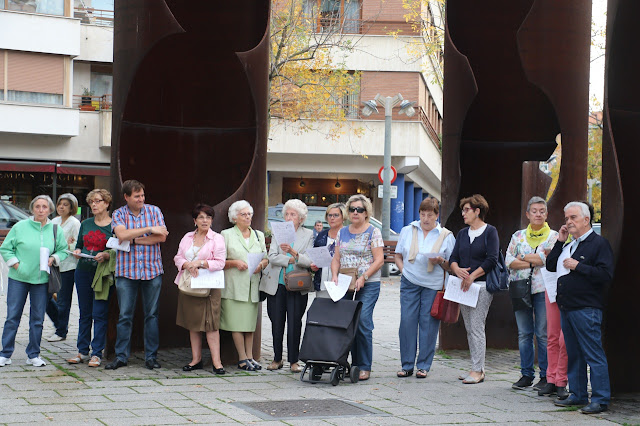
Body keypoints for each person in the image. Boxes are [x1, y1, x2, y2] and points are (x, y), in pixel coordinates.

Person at [546, 201, 613, 415]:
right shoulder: (569, 245)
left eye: (573, 217)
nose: (568, 222)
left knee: (593, 354)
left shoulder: (599, 244)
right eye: (566, 218)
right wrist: (560, 241)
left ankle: (601, 399)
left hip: (586, 307)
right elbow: (550, 265)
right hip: (567, 307)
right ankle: (578, 394)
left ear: (586, 220)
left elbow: (605, 275)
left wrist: (579, 267)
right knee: (574, 354)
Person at [105, 180, 169, 370]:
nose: (141, 199)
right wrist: (149, 230)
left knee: (152, 315)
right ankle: (121, 357)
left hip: (152, 270)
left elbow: (162, 237)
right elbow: (122, 236)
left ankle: (151, 357)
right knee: (125, 315)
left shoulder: (154, 211)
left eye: (142, 195)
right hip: (126, 272)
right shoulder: (118, 213)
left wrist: (133, 240)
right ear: (126, 197)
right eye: (137, 196)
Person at [0, 195, 68, 367]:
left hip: (42, 280)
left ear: (50, 210)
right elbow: (6, 248)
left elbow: (64, 250)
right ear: (32, 209)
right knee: (12, 317)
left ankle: (33, 354)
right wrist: (16, 265)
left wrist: (54, 258)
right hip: (19, 278)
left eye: (44, 207)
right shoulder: (20, 227)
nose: (40, 210)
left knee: (37, 319)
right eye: (37, 206)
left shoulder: (55, 229)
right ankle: (5, 353)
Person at [394, 197, 455, 379]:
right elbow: (398, 255)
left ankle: (423, 366)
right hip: (409, 282)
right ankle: (406, 365)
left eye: (430, 215)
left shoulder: (446, 235)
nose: (426, 219)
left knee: (428, 324)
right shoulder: (408, 230)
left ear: (437, 215)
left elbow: (451, 265)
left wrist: (440, 261)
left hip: (433, 285)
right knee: (407, 322)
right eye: (422, 214)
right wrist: (404, 271)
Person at [506, 196, 558, 392]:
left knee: (543, 334)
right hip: (520, 288)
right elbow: (508, 260)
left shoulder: (552, 236)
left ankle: (546, 375)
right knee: (524, 333)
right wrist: (531, 261)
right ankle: (526, 374)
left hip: (542, 289)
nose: (538, 214)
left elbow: (548, 258)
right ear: (527, 214)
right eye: (534, 211)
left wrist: (522, 257)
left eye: (542, 211)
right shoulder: (517, 236)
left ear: (546, 214)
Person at [330, 194, 384, 381]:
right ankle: (348, 363)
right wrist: (335, 275)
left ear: (366, 212)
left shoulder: (373, 232)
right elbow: (336, 258)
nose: (355, 212)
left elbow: (379, 260)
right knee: (346, 322)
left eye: (359, 209)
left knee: (362, 321)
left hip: (368, 283)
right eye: (351, 209)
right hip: (345, 283)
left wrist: (364, 276)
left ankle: (364, 365)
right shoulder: (342, 232)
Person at [449, 194, 499, 384]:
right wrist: (456, 269)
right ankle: (475, 367)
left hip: (481, 286)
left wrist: (473, 276)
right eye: (463, 210)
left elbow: (492, 259)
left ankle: (478, 370)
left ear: (477, 211)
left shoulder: (490, 231)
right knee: (469, 328)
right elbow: (453, 257)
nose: (463, 214)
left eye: (466, 210)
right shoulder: (462, 233)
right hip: (463, 286)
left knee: (477, 327)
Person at [261, 199, 314, 373]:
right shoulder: (278, 233)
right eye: (287, 214)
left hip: (297, 285)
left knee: (294, 323)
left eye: (293, 214)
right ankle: (277, 358)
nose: (289, 217)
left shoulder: (308, 235)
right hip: (278, 284)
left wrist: (294, 253)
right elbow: (272, 256)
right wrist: (290, 259)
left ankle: (294, 361)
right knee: (277, 322)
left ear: (301, 218)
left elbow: (309, 260)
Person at [174, 204, 227, 374]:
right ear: (194, 220)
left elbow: (220, 262)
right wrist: (186, 264)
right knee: (193, 324)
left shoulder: (217, 238)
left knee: (211, 325)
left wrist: (201, 263)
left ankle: (217, 362)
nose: (205, 221)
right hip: (190, 285)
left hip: (209, 287)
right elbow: (178, 257)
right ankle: (196, 360)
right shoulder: (187, 237)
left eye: (208, 217)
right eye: (201, 217)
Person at [67, 189, 114, 367]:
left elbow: (117, 250)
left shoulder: (114, 226)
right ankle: (81, 351)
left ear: (107, 203)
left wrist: (107, 255)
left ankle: (97, 353)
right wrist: (77, 252)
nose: (94, 204)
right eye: (92, 202)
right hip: (83, 271)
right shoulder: (85, 224)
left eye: (98, 201)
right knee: (84, 313)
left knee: (100, 313)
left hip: (102, 274)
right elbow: (79, 245)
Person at [220, 200, 268, 371]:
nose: (248, 217)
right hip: (234, 285)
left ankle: (250, 357)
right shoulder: (226, 235)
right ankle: (242, 358)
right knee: (236, 323)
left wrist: (260, 265)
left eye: (249, 214)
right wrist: (234, 263)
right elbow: (219, 261)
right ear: (235, 217)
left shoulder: (258, 235)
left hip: (252, 285)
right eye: (244, 214)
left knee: (249, 324)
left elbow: (265, 257)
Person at [46, 193, 81, 342]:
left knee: (63, 300)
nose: (61, 207)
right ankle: (58, 324)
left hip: (68, 266)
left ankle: (61, 332)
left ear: (72, 207)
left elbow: (78, 244)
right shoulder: (54, 221)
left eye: (66, 204)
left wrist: (67, 244)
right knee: (46, 298)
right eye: (60, 203)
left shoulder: (74, 223)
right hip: (52, 264)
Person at [310, 203, 346, 298]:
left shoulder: (348, 235)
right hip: (323, 283)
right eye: (329, 215)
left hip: (343, 283)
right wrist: (313, 266)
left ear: (343, 217)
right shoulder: (321, 235)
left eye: (336, 215)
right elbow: (315, 257)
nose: (332, 218)